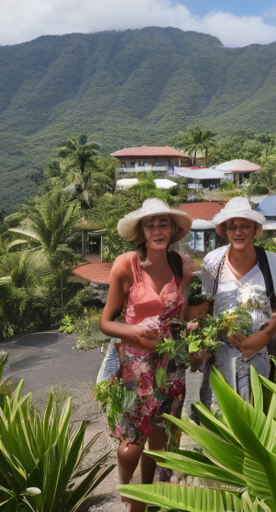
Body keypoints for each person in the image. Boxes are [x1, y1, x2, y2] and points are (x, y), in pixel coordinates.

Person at [99, 198, 193, 512]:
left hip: (173, 365)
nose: (157, 229)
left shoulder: (180, 264)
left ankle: (147, 504)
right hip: (135, 368)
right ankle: (129, 494)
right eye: (150, 224)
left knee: (161, 442)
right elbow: (106, 321)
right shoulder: (127, 264)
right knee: (130, 447)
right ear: (142, 230)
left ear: (172, 228)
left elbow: (183, 312)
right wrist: (136, 331)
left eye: (163, 223)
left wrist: (194, 326)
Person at [200, 197, 276, 402]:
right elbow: (205, 308)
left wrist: (262, 337)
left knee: (257, 419)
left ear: (255, 229)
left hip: (259, 361)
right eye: (232, 227)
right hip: (220, 362)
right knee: (221, 419)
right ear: (226, 231)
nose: (238, 232)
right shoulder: (212, 263)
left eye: (245, 226)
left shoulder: (272, 263)